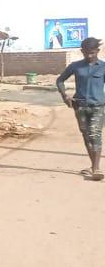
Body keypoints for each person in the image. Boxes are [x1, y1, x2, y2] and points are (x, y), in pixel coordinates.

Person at [56, 37, 104, 181]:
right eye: (86, 53)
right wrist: (65, 96)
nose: (89, 56)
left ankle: (96, 168)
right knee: (86, 136)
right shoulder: (75, 66)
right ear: (82, 51)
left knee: (95, 135)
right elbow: (60, 80)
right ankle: (93, 166)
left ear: (98, 51)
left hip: (98, 107)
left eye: (92, 53)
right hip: (80, 107)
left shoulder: (103, 67)